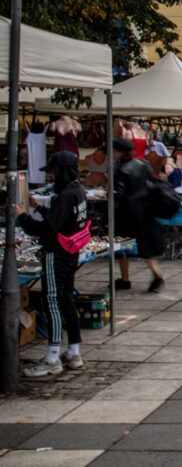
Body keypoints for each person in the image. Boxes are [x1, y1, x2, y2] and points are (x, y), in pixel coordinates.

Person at [15, 152, 88, 377]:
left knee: (53, 302)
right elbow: (60, 219)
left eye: (54, 172)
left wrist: (22, 217)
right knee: (66, 299)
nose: (52, 177)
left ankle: (53, 358)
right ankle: (73, 352)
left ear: (62, 171)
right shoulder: (77, 192)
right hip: (70, 252)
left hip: (56, 254)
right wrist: (39, 208)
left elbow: (47, 229)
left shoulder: (66, 195)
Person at [113, 137, 165, 292]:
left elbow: (120, 193)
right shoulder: (143, 164)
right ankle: (157, 274)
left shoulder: (122, 169)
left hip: (127, 211)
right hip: (145, 209)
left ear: (119, 152)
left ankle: (125, 279)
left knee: (122, 244)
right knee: (145, 244)